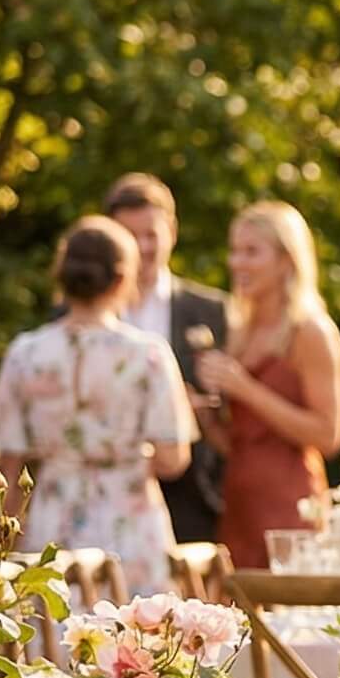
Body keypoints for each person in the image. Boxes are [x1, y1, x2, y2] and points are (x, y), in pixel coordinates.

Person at [0, 216, 198, 594]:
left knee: (52, 640)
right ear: (122, 280)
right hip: (131, 521)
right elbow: (173, 458)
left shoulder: (25, 353)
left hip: (54, 517)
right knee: (137, 641)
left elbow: (9, 466)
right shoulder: (147, 355)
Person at [195, 201, 340, 569]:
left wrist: (246, 389)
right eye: (234, 251)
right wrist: (205, 419)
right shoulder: (239, 331)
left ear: (286, 261)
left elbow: (329, 435)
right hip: (238, 506)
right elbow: (243, 443)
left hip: (291, 510)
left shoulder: (310, 331)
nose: (237, 263)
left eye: (251, 252)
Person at [104, 174, 231, 544]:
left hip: (192, 495)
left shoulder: (211, 310)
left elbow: (233, 409)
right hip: (108, 493)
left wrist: (200, 409)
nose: (141, 248)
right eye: (129, 237)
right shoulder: (78, 315)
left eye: (151, 235)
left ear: (172, 231)